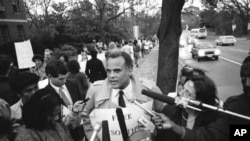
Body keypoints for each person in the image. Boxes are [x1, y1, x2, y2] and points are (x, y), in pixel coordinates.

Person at [82, 49, 166, 141]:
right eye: (109, 71)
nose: (111, 76)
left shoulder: (149, 90)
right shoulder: (95, 90)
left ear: (129, 70)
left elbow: (164, 115)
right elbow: (85, 115)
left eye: (117, 71)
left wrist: (156, 126)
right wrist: (94, 138)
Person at [151, 69, 221, 141]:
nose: (181, 94)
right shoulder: (168, 111)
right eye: (183, 89)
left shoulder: (214, 120)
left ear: (200, 100)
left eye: (187, 93)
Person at [45, 59, 85, 141]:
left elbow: (81, 102)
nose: (64, 81)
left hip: (80, 132)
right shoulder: (46, 94)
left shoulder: (73, 83)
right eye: (61, 79)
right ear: (49, 76)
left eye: (65, 77)